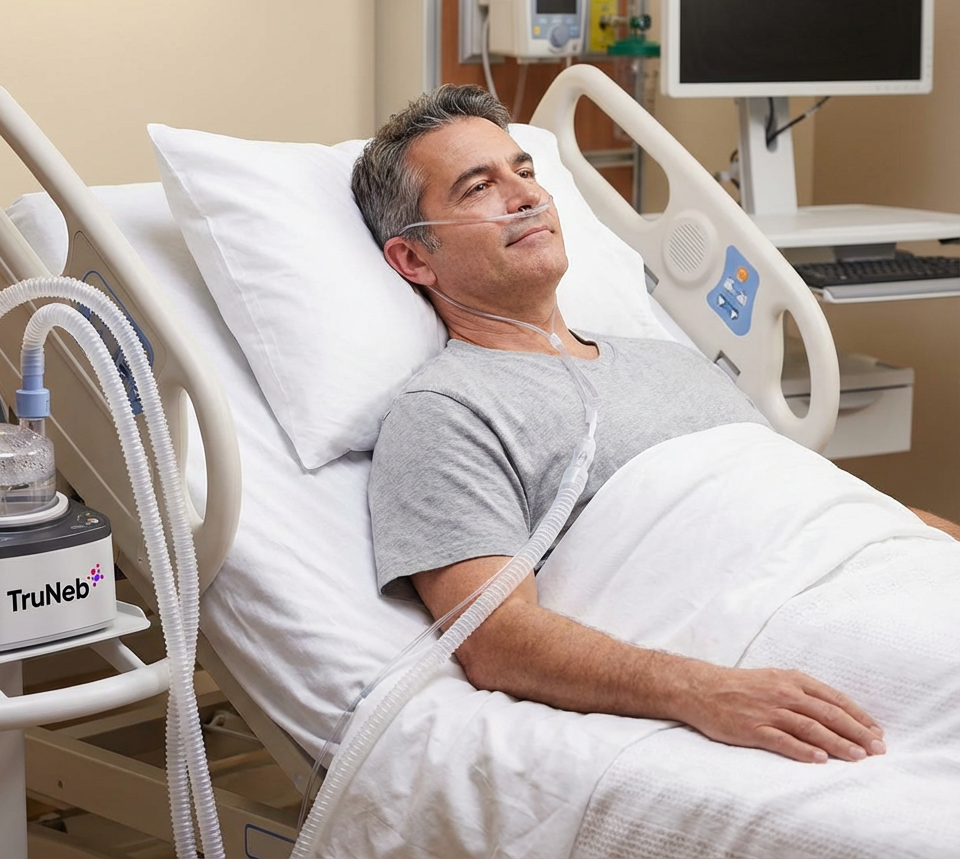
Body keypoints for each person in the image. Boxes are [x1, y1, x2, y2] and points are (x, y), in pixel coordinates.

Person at [352, 83, 959, 766]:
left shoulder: (672, 359)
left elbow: (812, 502)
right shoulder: (447, 411)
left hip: (888, 574)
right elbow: (493, 637)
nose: (526, 196)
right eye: (478, 188)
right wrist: (702, 691)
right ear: (413, 258)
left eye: (525, 171)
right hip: (792, 628)